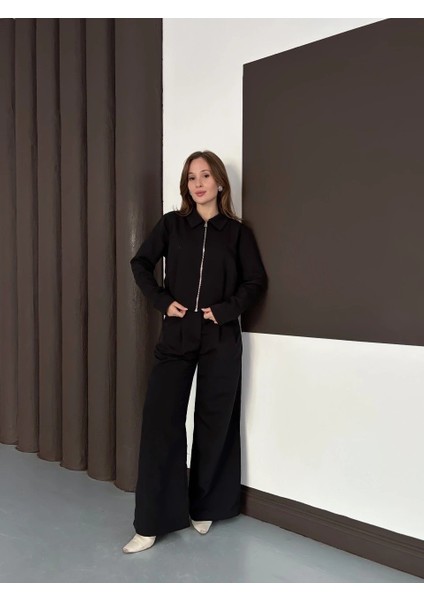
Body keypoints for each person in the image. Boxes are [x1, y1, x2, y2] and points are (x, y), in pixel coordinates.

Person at [123, 150, 267, 553]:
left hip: (220, 337)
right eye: (191, 177)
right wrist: (162, 301)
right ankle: (151, 522)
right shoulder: (172, 225)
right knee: (160, 422)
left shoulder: (237, 233)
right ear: (186, 185)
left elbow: (255, 283)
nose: (198, 183)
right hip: (177, 335)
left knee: (215, 421)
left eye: (205, 175)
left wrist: (223, 311)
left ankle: (206, 506)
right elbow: (140, 263)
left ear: (220, 182)